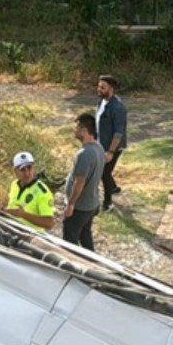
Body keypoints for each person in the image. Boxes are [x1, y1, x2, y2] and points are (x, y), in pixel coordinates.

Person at [62, 113, 104, 250]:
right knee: (85, 236)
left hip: (80, 208)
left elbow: (79, 182)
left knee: (69, 240)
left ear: (84, 130)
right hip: (90, 205)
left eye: (77, 127)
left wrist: (71, 204)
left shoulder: (84, 154)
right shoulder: (99, 148)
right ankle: (93, 264)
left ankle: (73, 268)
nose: (75, 130)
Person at [95, 75, 128, 209]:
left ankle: (108, 203)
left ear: (111, 89)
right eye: (99, 86)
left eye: (103, 87)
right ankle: (113, 188)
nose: (99, 89)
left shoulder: (118, 108)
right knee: (105, 171)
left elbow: (118, 133)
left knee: (104, 172)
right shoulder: (101, 102)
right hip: (101, 144)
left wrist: (110, 152)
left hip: (113, 147)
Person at [4, 151, 55, 230]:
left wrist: (24, 215)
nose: (27, 173)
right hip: (12, 230)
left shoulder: (43, 192)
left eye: (29, 168)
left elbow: (49, 223)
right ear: (15, 171)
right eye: (23, 170)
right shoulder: (14, 184)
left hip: (31, 237)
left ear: (34, 168)